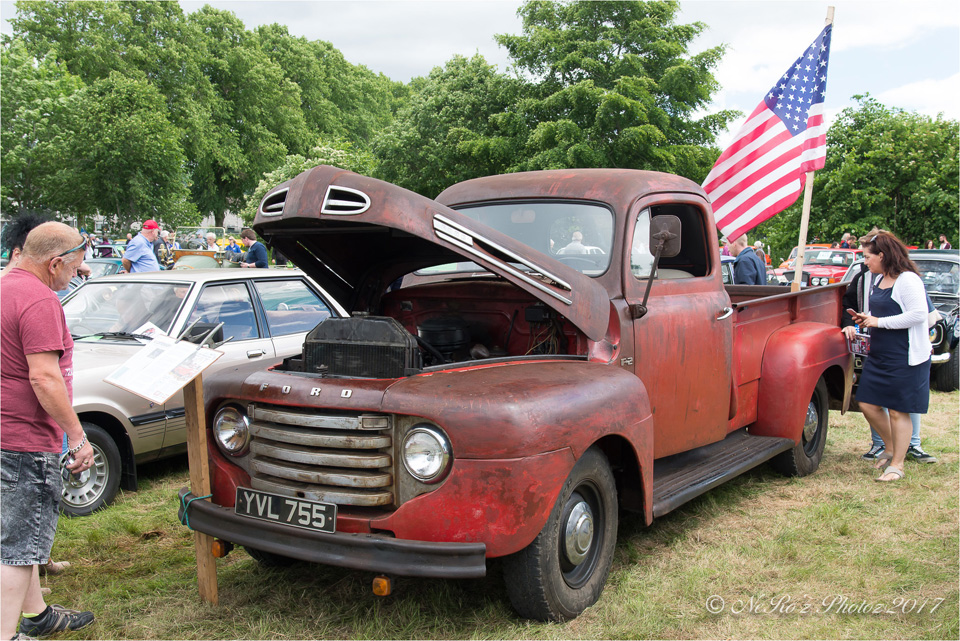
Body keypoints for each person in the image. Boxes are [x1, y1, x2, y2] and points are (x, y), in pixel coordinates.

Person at [1, 222, 97, 639]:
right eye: (75, 267)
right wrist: (77, 436)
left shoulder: (5, 285)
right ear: (55, 262)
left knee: (16, 537)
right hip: (22, 440)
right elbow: (44, 377)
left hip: (5, 433)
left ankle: (38, 616)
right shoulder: (40, 299)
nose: (76, 275)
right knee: (19, 549)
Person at [842, 234, 939, 464]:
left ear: (882, 255)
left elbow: (918, 315)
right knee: (867, 403)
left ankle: (897, 464)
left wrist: (878, 322)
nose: (865, 262)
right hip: (880, 354)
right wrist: (866, 318)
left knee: (897, 410)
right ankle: (892, 447)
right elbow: (884, 312)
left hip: (905, 355)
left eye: (868, 257)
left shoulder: (908, 279)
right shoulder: (878, 279)